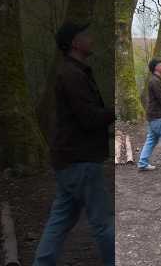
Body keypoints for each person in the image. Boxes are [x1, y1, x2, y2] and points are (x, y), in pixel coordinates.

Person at [33, 22, 115, 266]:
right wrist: (114, 111)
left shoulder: (73, 72)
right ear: (74, 43)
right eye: (85, 35)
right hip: (81, 161)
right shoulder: (72, 75)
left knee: (60, 220)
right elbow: (89, 118)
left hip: (68, 160)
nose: (91, 38)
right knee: (103, 222)